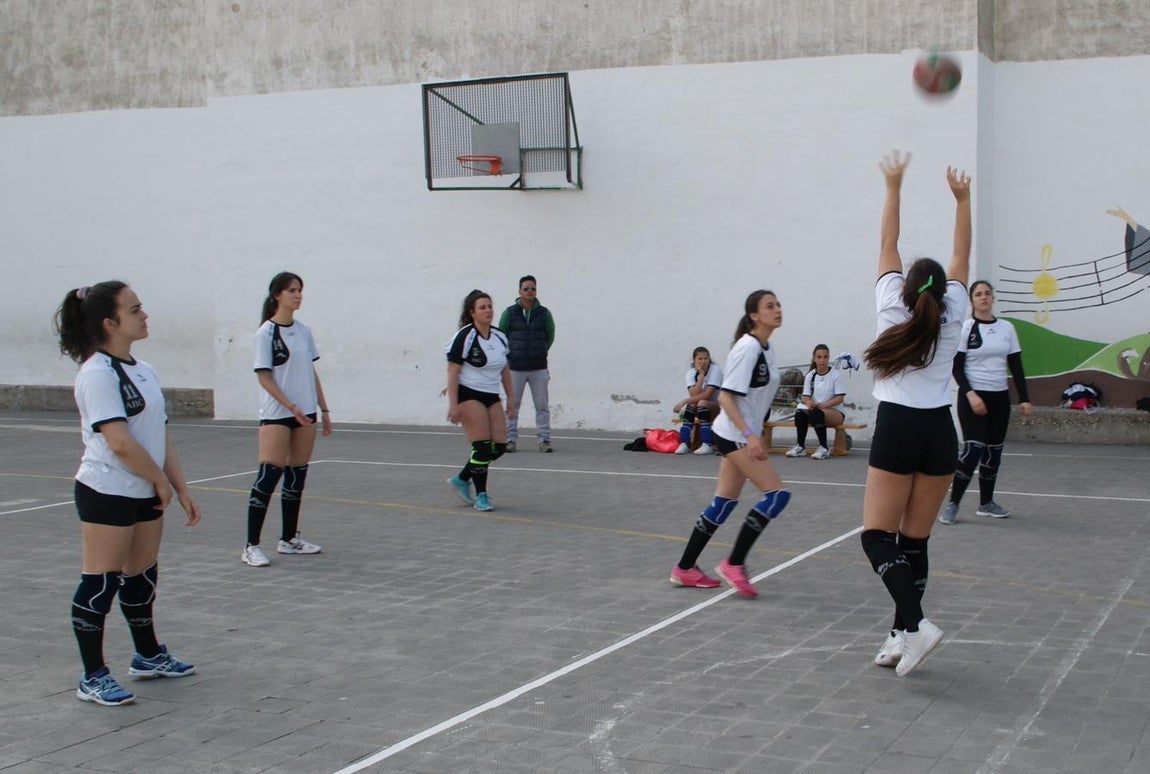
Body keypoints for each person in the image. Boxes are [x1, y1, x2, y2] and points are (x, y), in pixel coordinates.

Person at [55, 281, 202, 706]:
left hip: (145, 489)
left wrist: (179, 485)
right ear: (109, 322)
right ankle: (93, 676)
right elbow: (118, 442)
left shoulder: (144, 369)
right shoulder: (96, 374)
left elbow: (159, 433)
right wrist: (157, 481)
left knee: (141, 577)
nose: (145, 314)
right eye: (135, 309)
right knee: (101, 583)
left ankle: (148, 655)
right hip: (107, 490)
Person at [861, 151, 971, 676]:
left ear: (905, 288)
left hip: (899, 426)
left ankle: (914, 625)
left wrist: (893, 185)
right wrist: (963, 200)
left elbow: (888, 243)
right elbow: (962, 258)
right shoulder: (953, 313)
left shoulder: (890, 304)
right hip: (940, 432)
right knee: (915, 540)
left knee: (876, 536)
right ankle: (902, 635)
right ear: (942, 293)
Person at [669, 290, 792, 598]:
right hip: (734, 434)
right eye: (770, 306)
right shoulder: (747, 348)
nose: (777, 309)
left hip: (738, 432)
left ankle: (684, 568)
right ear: (754, 315)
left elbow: (755, 392)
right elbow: (725, 396)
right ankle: (734, 563)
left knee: (723, 503)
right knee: (776, 495)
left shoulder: (767, 347)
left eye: (777, 304)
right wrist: (751, 436)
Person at [241, 272, 332, 568]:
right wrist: (289, 405)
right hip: (277, 414)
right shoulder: (265, 333)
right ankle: (251, 545)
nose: (298, 295)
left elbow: (310, 371)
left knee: (297, 475)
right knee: (269, 476)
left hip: (305, 413)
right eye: (292, 290)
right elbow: (264, 376)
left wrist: (324, 408)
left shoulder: (304, 331)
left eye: (300, 290)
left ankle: (289, 539)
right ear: (277, 295)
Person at [939, 281, 1032, 524]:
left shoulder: (1007, 328)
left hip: (999, 398)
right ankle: (953, 504)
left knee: (993, 453)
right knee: (972, 452)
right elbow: (956, 367)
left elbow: (1016, 365)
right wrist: (970, 394)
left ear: (993, 298)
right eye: (978, 294)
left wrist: (1024, 398)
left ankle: (986, 503)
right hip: (973, 398)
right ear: (972, 300)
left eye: (987, 294)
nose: (984, 298)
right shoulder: (966, 328)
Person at [446, 290, 516, 512]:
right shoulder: (465, 336)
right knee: (482, 447)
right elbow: (453, 371)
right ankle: (481, 496)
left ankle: (462, 477)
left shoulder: (499, 337)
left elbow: (505, 369)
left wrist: (511, 398)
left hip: (491, 396)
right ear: (472, 312)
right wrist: (453, 404)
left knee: (500, 447)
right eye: (482, 307)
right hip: (469, 394)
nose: (488, 310)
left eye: (490, 306)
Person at [498, 275, 555, 452]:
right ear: (519, 291)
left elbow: (550, 336)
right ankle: (510, 440)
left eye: (533, 288)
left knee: (542, 406)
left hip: (538, 367)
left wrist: (541, 350)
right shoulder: (509, 313)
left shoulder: (544, 313)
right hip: (515, 368)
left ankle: (544, 440)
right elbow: (501, 336)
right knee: (512, 406)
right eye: (526, 288)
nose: (530, 291)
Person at [786, 344, 846, 460]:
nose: (822, 360)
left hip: (835, 412)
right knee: (800, 413)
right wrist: (809, 403)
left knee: (816, 413)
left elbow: (839, 398)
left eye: (825, 357)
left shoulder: (835, 375)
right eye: (819, 357)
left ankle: (824, 447)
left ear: (828, 358)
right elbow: (806, 397)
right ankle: (800, 447)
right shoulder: (810, 376)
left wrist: (824, 405)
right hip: (817, 410)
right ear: (814, 358)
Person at [673, 346, 723, 455]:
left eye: (706, 358)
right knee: (693, 403)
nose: (703, 361)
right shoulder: (691, 373)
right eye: (700, 359)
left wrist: (683, 401)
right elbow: (694, 394)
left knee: (701, 402)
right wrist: (700, 376)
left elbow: (707, 395)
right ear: (694, 360)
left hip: (718, 407)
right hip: (701, 408)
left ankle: (707, 443)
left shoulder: (715, 370)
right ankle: (684, 443)